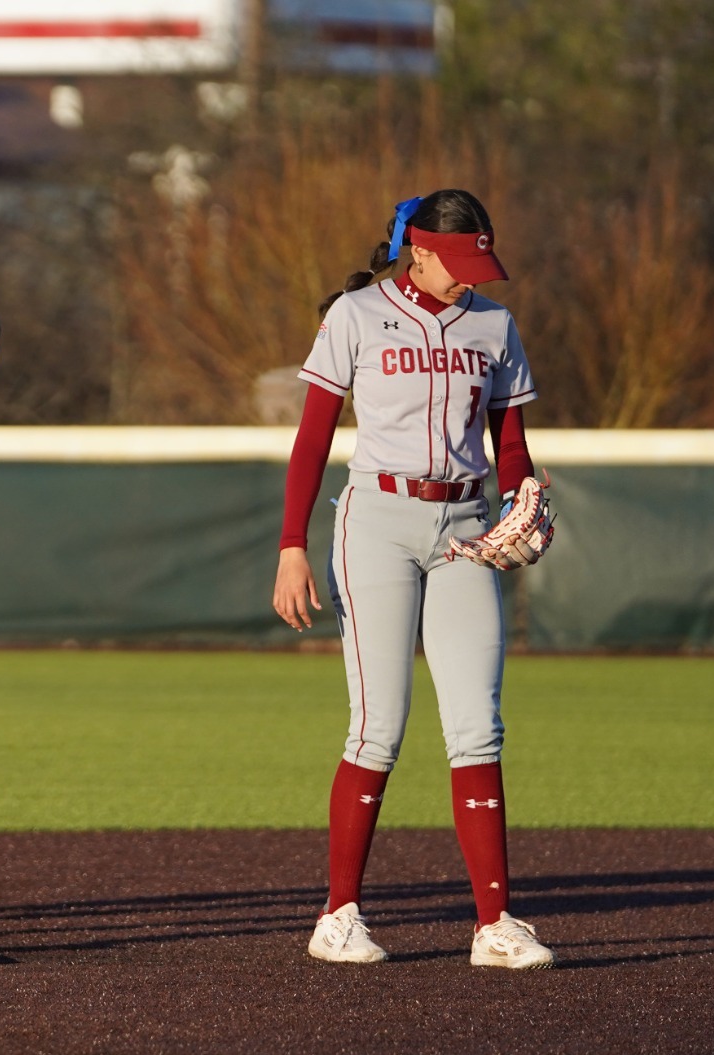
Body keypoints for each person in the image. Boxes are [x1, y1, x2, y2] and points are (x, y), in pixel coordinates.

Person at [274, 189, 557, 969]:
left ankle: (494, 924)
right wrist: (292, 544)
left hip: (466, 528)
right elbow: (312, 438)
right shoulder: (357, 315)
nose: (471, 280)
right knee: (379, 725)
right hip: (378, 522)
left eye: (480, 265)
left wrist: (522, 494)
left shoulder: (494, 326)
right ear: (420, 251)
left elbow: (509, 439)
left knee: (478, 726)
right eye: (458, 263)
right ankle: (338, 914)